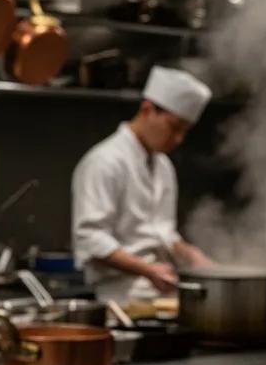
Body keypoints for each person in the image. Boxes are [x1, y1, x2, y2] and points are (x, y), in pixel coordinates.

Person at [71, 66, 214, 304]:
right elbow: (90, 237)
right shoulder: (105, 161)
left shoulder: (163, 165)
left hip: (163, 297)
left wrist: (190, 254)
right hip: (120, 299)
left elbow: (162, 231)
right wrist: (147, 269)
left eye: (184, 131)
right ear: (147, 109)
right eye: (174, 127)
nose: (178, 139)